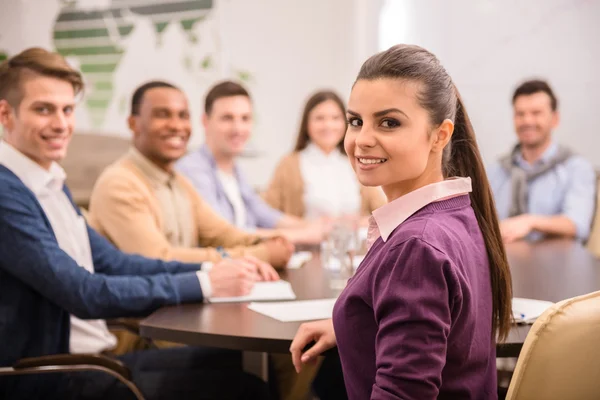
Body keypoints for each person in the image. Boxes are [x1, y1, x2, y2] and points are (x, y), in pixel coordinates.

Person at [0, 47, 269, 400]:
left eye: (67, 110)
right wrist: (205, 283)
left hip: (95, 358)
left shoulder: (47, 179)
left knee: (234, 362)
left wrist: (213, 267)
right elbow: (83, 293)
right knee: (244, 387)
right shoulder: (8, 193)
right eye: (44, 109)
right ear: (5, 115)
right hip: (55, 374)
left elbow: (113, 262)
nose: (62, 124)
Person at [290, 44, 513, 399]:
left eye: (389, 123)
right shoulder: (458, 212)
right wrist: (352, 326)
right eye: (356, 121)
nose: (362, 140)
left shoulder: (415, 248)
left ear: (440, 135)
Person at [88, 81, 292, 269]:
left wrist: (268, 242)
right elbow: (159, 259)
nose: (177, 126)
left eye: (183, 116)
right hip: (143, 308)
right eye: (162, 115)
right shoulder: (119, 183)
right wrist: (261, 254)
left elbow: (221, 233)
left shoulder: (178, 181)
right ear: (134, 124)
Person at [176, 81, 325, 244]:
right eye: (227, 118)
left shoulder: (235, 170)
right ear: (205, 121)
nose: (238, 128)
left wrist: (318, 227)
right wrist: (304, 235)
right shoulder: (192, 169)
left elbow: (264, 215)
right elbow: (227, 233)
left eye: (245, 118)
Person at [487, 79, 596, 243]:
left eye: (536, 113)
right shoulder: (496, 170)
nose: (527, 121)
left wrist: (530, 222)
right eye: (520, 114)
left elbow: (577, 225)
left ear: (555, 119)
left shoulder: (577, 168)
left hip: (558, 265)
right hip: (504, 263)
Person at [264, 90, 385, 223]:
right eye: (319, 118)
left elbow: (383, 212)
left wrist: (359, 222)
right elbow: (266, 214)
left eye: (335, 118)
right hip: (306, 242)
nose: (328, 125)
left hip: (352, 242)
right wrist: (311, 226)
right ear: (306, 124)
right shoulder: (289, 164)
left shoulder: (358, 161)